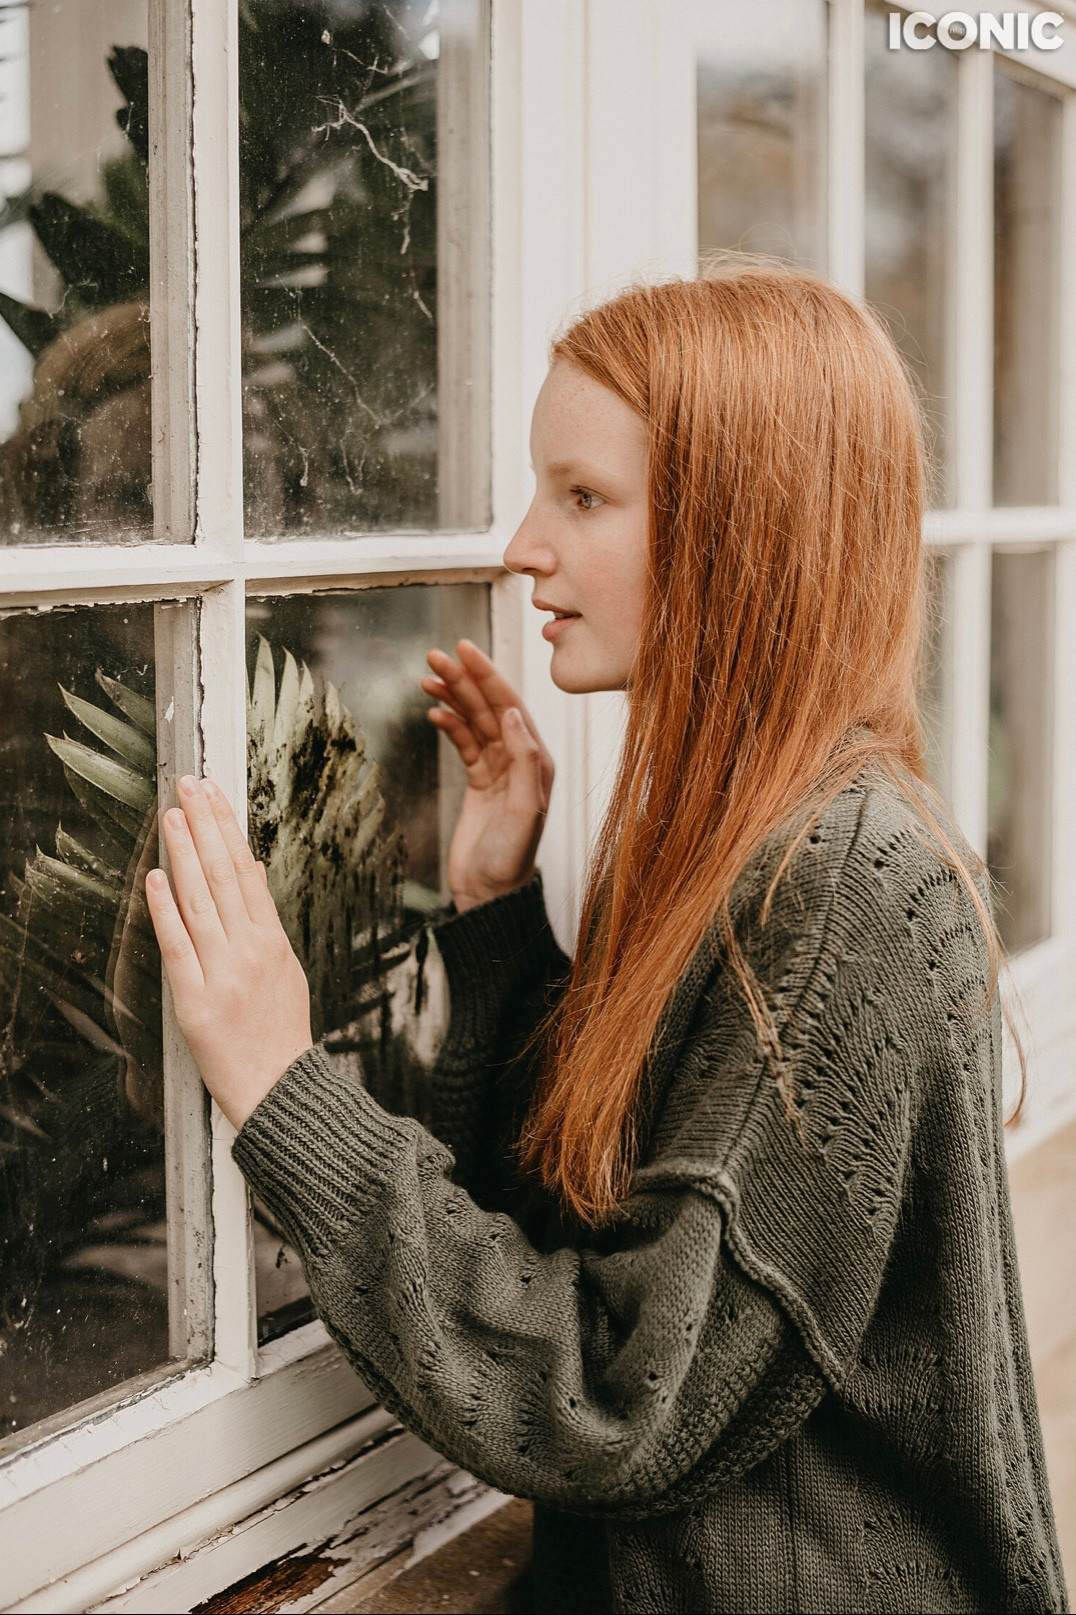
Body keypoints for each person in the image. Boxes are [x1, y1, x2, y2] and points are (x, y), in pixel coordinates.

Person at [145, 267, 1067, 1614]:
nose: (524, 545)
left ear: (737, 529)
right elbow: (595, 1224)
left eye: (582, 496)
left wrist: (287, 1091)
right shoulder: (740, 841)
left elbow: (622, 1398)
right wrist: (503, 919)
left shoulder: (846, 884)